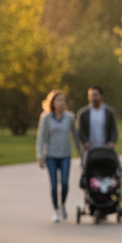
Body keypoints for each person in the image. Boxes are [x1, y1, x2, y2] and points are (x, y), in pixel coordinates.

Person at [37, 90, 81, 222]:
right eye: (58, 100)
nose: (61, 103)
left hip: (65, 155)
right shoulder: (46, 118)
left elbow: (75, 135)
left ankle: (63, 205)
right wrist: (40, 155)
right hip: (51, 155)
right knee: (54, 185)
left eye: (63, 100)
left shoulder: (69, 117)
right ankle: (56, 210)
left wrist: (81, 153)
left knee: (65, 183)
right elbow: (41, 138)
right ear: (53, 102)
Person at [75, 85, 118, 154]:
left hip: (106, 148)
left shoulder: (109, 112)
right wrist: (85, 142)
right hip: (89, 149)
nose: (93, 98)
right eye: (91, 96)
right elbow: (80, 130)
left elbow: (113, 129)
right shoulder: (83, 113)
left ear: (101, 96)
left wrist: (112, 141)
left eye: (95, 95)